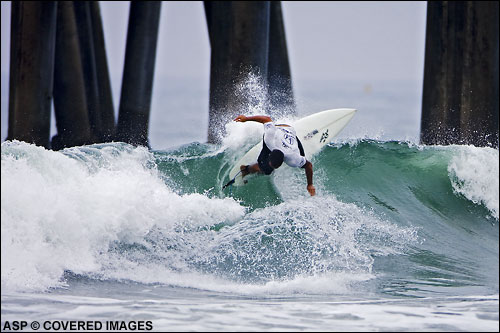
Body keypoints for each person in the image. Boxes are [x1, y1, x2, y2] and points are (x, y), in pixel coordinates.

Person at [234, 114, 316, 196]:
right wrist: (246, 119)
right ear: (270, 154)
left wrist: (310, 185)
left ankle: (252, 169)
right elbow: (266, 119)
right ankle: (246, 169)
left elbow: (309, 165)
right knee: (267, 169)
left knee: (303, 161)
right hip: (278, 131)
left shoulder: (293, 158)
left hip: (288, 131)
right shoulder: (269, 140)